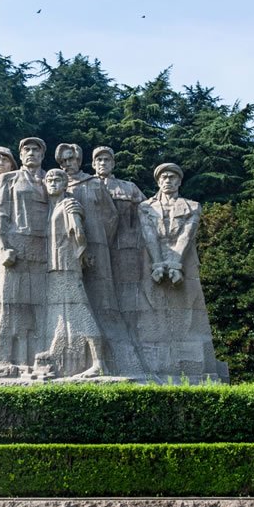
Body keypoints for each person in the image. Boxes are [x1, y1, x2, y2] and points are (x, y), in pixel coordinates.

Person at [136, 163, 220, 378]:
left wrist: (175, 264)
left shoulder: (192, 206)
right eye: (164, 177)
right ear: (158, 181)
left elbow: (187, 235)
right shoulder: (145, 207)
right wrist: (157, 264)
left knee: (189, 307)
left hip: (184, 262)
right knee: (152, 307)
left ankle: (190, 362)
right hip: (152, 261)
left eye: (172, 177)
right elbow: (148, 235)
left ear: (179, 181)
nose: (168, 181)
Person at [34, 169, 107, 378]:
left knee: (82, 312)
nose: (52, 183)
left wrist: (79, 256)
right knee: (62, 312)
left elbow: (79, 233)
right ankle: (58, 353)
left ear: (65, 184)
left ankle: (99, 363)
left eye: (57, 180)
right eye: (49, 180)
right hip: (56, 267)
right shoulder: (54, 206)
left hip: (67, 265)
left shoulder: (68, 204)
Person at [0, 136, 49, 372]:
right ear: (21, 156)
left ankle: (38, 357)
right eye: (27, 150)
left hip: (44, 247)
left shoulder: (52, 178)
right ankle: (1, 359)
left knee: (40, 305)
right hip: (16, 246)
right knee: (9, 303)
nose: (31, 153)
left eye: (36, 149)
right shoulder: (9, 179)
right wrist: (2, 247)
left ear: (42, 155)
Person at [92, 146, 150, 375]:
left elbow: (148, 213)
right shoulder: (85, 186)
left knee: (129, 298)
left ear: (113, 163)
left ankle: (133, 346)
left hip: (126, 249)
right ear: (93, 164)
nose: (103, 163)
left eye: (107, 159)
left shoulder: (128, 188)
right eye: (99, 160)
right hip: (96, 250)